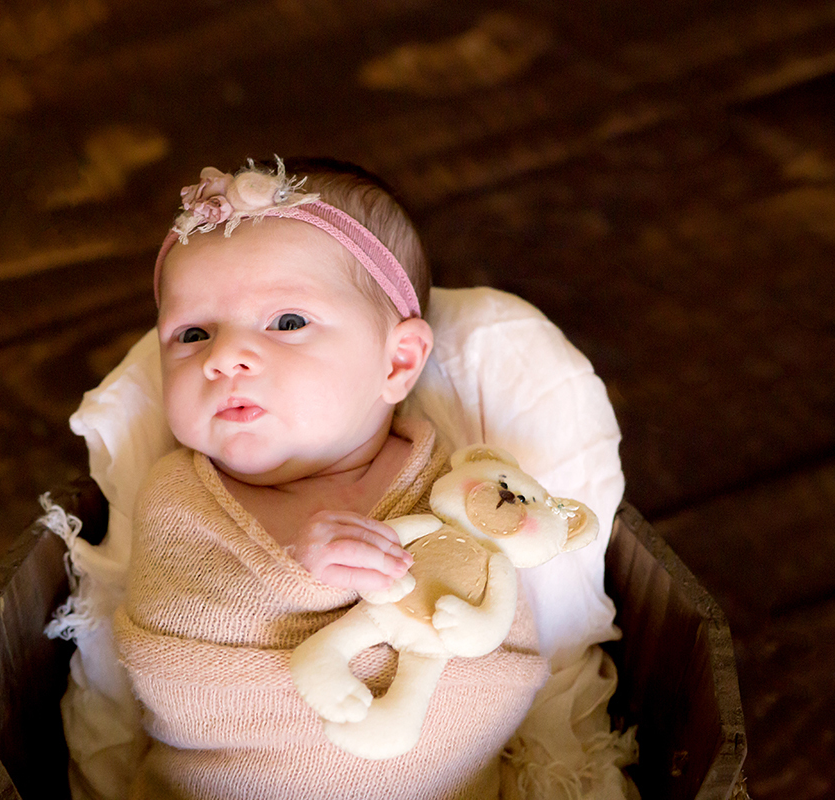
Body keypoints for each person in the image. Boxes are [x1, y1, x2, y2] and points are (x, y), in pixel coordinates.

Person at [112, 157, 550, 799]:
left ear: (398, 361)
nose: (224, 356)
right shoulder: (179, 497)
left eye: (286, 323)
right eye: (192, 333)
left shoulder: (452, 482)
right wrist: (296, 565)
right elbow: (177, 639)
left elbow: (497, 608)